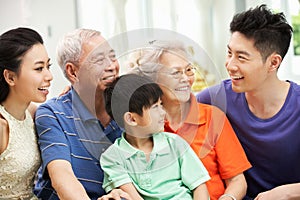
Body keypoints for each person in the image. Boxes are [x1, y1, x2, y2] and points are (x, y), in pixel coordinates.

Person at [196, 4, 300, 200]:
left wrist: (286, 193)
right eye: (229, 53)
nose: (230, 65)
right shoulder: (214, 99)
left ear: (273, 63)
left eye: (241, 57)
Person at [128, 40, 251, 200]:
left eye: (188, 70)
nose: (186, 78)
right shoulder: (142, 125)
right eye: (175, 73)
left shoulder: (212, 117)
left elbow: (237, 180)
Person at [33, 28, 130, 200]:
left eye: (112, 57)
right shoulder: (53, 114)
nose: (112, 66)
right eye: (99, 59)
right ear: (73, 72)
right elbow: (63, 180)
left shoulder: (130, 108)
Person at [101, 73, 211, 200]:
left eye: (161, 104)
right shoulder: (112, 158)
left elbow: (199, 187)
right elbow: (133, 197)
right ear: (131, 119)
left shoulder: (175, 143)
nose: (163, 112)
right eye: (155, 107)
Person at [0, 27, 53, 199]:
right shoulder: (1, 126)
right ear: (10, 77)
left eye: (48, 66)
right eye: (39, 69)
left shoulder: (31, 113)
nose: (49, 76)